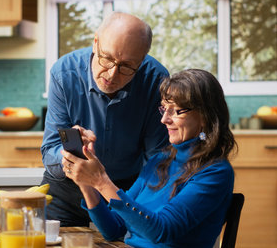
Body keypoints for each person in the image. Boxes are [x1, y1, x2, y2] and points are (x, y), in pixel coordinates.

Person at [62, 69, 236, 248]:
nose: (164, 119)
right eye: (163, 108)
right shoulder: (160, 160)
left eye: (176, 110)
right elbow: (113, 229)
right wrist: (86, 183)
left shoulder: (215, 172)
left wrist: (101, 181)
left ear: (205, 116)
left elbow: (161, 231)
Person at [41, 12, 170, 227]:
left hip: (127, 190)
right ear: (95, 43)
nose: (111, 74)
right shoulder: (63, 73)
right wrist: (68, 155)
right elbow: (49, 150)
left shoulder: (156, 80)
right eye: (107, 58)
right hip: (67, 189)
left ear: (142, 60)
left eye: (127, 66)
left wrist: (137, 203)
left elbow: (157, 160)